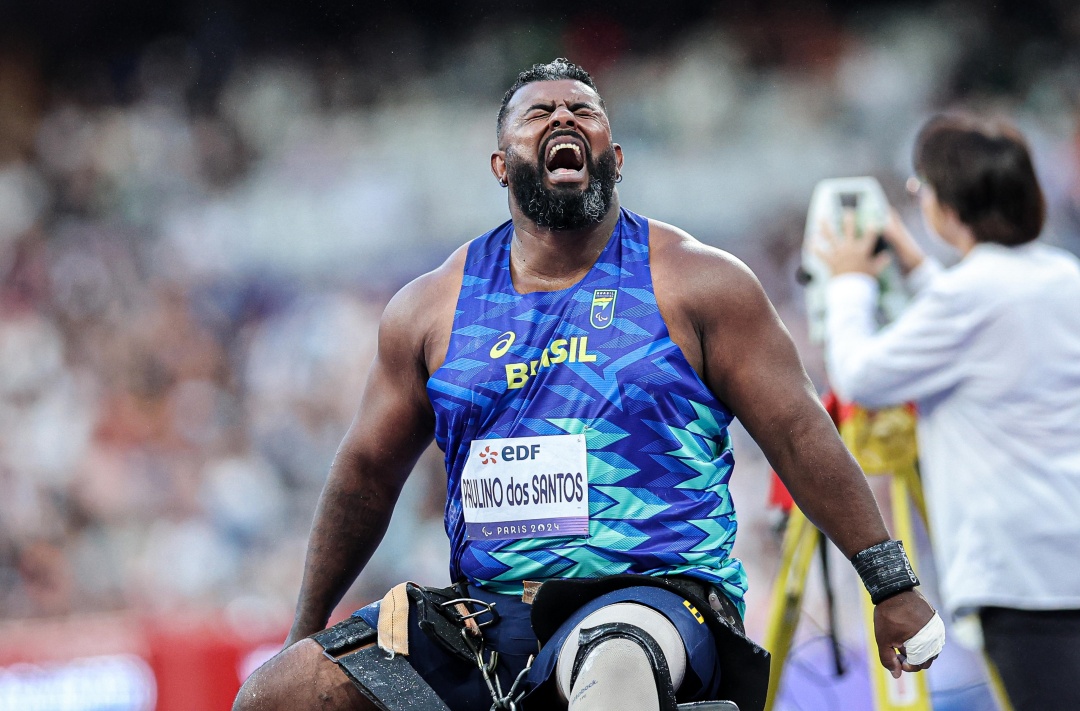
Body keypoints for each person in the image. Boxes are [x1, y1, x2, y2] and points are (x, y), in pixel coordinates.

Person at [233, 59, 940, 711]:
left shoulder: (699, 282)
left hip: (654, 600)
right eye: (538, 114)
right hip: (489, 618)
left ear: (617, 158)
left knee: (615, 669)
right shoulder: (430, 308)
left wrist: (891, 583)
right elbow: (365, 472)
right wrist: (305, 628)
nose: (564, 118)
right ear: (500, 165)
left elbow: (798, 430)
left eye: (584, 110)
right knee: (278, 694)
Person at [817, 113, 1080, 711]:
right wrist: (916, 268)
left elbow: (858, 375)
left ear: (949, 202)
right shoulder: (1062, 274)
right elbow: (986, 323)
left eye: (921, 187)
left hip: (1020, 577)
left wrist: (849, 283)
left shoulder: (970, 298)